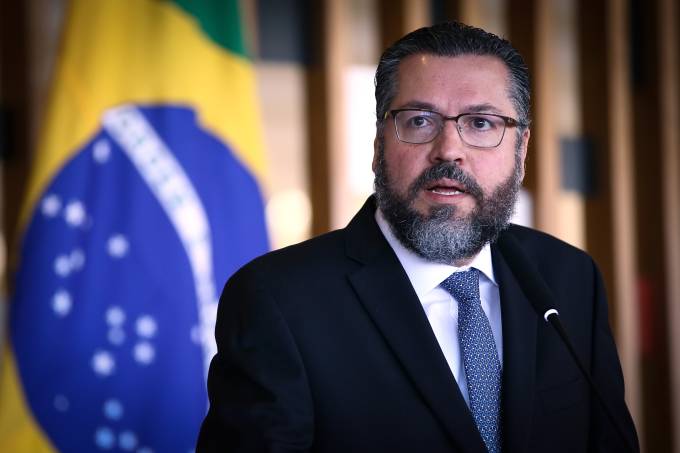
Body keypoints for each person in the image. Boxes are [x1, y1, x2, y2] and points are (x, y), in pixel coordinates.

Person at [197, 22, 639, 452]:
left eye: (481, 123)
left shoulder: (569, 278)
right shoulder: (279, 298)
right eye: (419, 120)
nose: (449, 150)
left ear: (521, 150)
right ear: (378, 145)